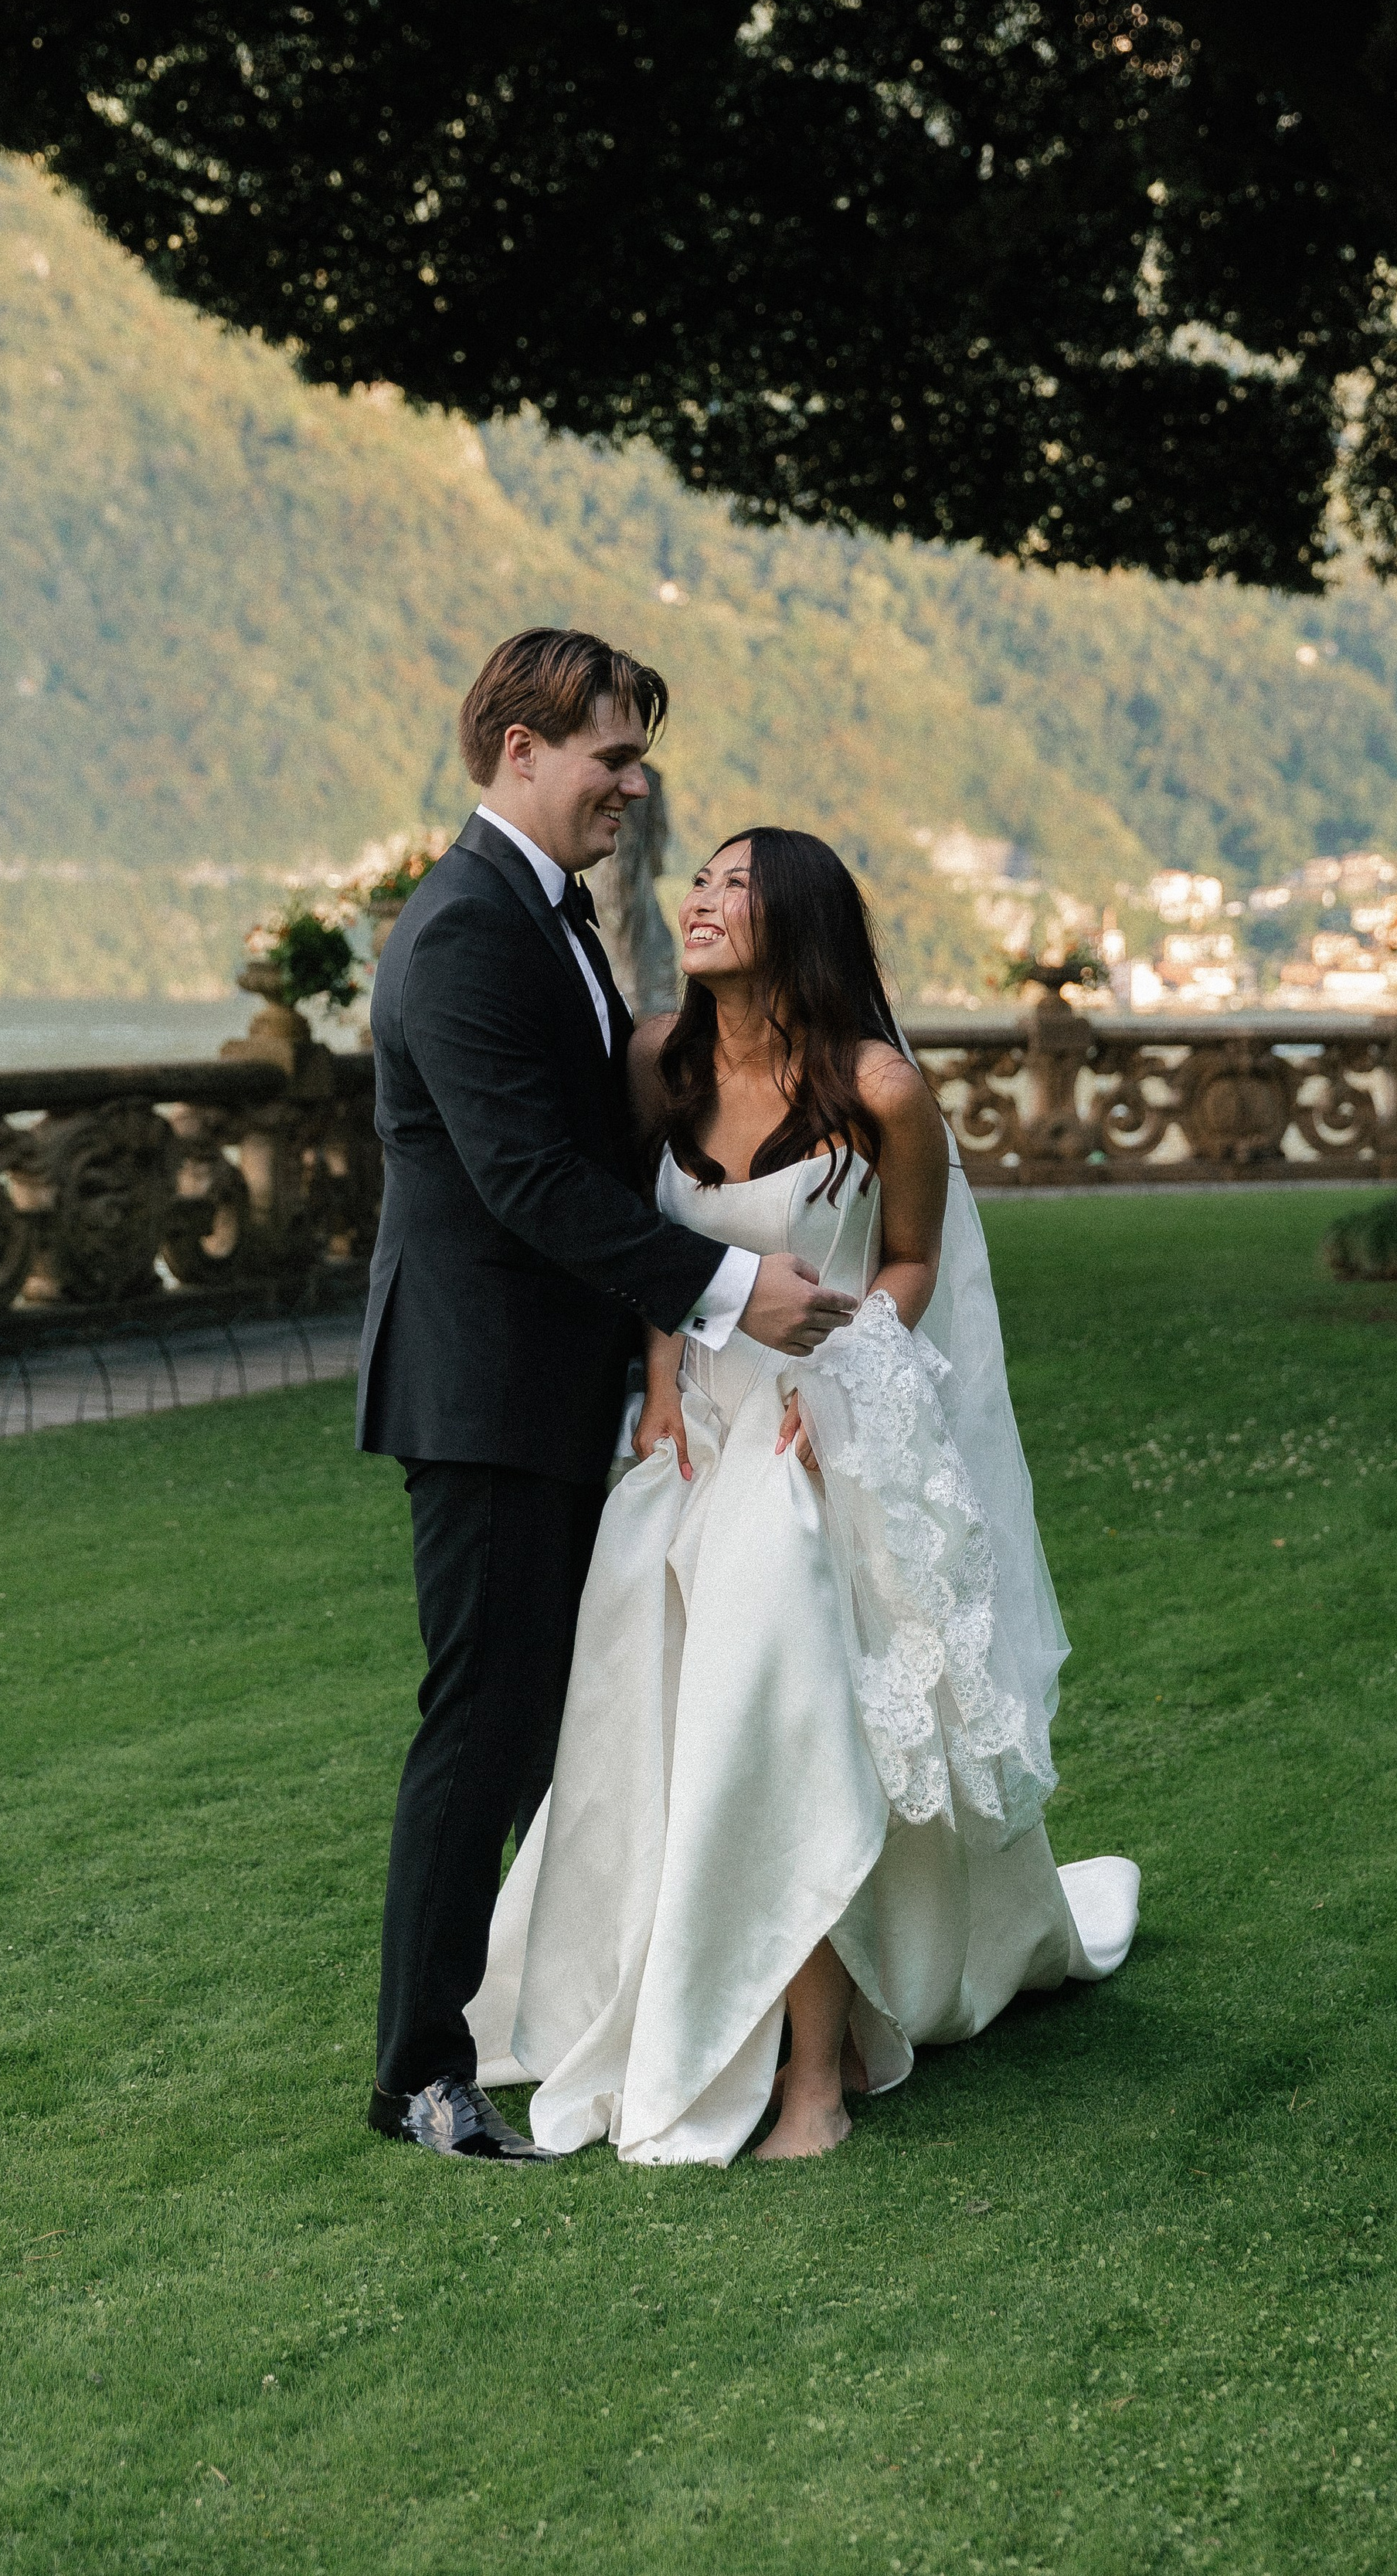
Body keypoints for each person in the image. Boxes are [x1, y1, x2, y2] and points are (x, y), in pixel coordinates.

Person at [467, 828, 1140, 2164]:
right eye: (699, 882)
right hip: (691, 1446)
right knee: (648, 1725)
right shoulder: (664, 1063)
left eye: (735, 886)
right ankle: (663, 1998)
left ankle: (815, 2079)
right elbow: (661, 1242)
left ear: (802, 919)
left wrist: (850, 1398)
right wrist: (661, 1384)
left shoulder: (882, 1090)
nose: (704, 902)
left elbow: (911, 1263)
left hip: (806, 1447)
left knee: (784, 1730)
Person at [357, 635, 862, 2164]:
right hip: (484, 1395)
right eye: (611, 760)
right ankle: (419, 2070)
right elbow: (520, 1179)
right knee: (482, 1730)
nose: (632, 791)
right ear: (517, 750)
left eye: (636, 761)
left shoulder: (546, 919)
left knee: (540, 1725)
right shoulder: (461, 937)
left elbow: (604, 1127)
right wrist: (721, 1296)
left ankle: (597, 2005)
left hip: (554, 1385)